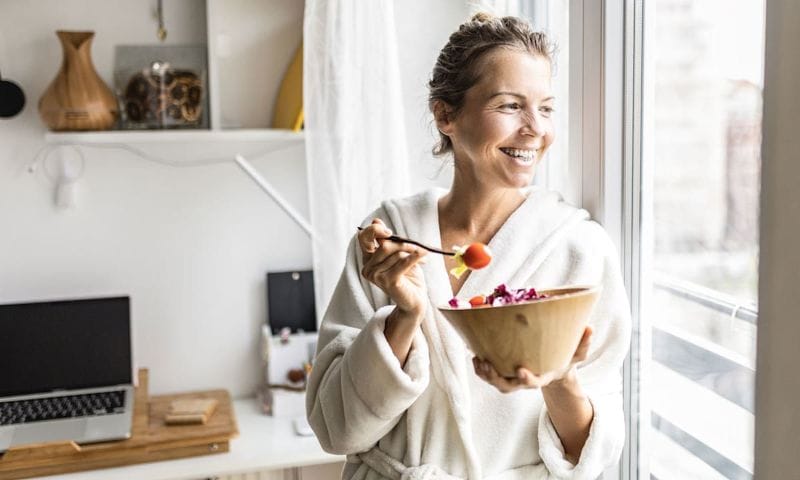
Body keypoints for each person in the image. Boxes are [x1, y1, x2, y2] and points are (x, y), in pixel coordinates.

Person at [306, 12, 631, 480]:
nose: (535, 129)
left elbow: (594, 456)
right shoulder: (389, 243)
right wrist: (404, 316)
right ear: (445, 115)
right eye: (509, 106)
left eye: (546, 107)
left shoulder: (579, 250)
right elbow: (337, 431)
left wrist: (558, 375)